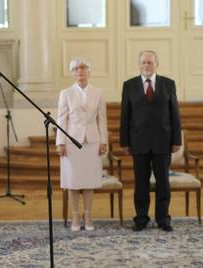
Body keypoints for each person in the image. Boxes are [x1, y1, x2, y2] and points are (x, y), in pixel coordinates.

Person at [120, 50, 181, 232]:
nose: (146, 65)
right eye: (143, 62)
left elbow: (175, 114)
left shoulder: (168, 84)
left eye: (150, 62)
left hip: (163, 141)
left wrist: (176, 139)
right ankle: (141, 218)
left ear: (156, 64)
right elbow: (125, 115)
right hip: (138, 142)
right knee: (141, 183)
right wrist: (125, 142)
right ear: (139, 65)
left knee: (163, 182)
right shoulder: (129, 85)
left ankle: (163, 218)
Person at [56, 58, 108, 232]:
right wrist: (60, 142)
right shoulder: (66, 93)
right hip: (71, 143)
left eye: (84, 67)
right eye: (76, 68)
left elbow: (102, 119)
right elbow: (61, 119)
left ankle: (88, 215)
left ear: (89, 70)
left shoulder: (99, 92)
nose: (80, 71)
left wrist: (104, 141)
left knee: (88, 181)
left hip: (92, 142)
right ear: (72, 72)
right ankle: (75, 216)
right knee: (73, 181)